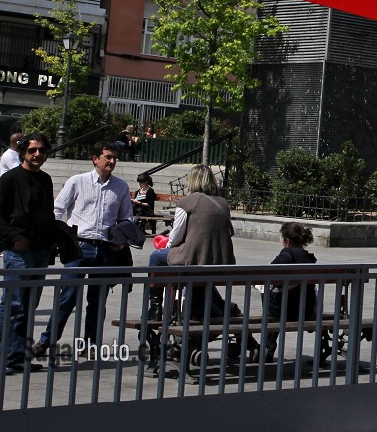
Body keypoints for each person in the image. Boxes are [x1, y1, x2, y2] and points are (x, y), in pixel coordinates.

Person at [34, 143, 136, 357]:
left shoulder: (121, 187)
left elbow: (126, 218)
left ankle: (90, 345)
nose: (112, 162)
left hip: (107, 250)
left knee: (98, 300)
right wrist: (60, 236)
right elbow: (57, 209)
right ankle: (47, 341)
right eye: (108, 157)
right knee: (68, 296)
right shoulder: (77, 182)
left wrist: (120, 240)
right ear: (95, 158)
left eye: (115, 158)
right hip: (79, 247)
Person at [0, 132, 56, 375]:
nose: (37, 155)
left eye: (42, 151)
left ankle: (16, 357)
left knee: (29, 305)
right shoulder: (10, 179)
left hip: (40, 251)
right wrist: (15, 239)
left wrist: (52, 245)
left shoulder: (45, 180)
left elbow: (47, 216)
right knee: (12, 304)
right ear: (23, 152)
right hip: (18, 252)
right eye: (32, 150)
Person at [150, 165, 236, 319]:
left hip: (194, 258)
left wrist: (169, 247)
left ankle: (155, 308)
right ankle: (200, 309)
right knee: (198, 277)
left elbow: (176, 236)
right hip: (221, 261)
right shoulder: (223, 203)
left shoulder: (188, 201)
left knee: (156, 257)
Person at [262, 223, 319, 362]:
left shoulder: (287, 253)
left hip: (282, 310)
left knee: (267, 294)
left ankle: (268, 347)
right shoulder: (309, 258)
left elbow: (269, 273)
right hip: (305, 309)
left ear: (287, 241)